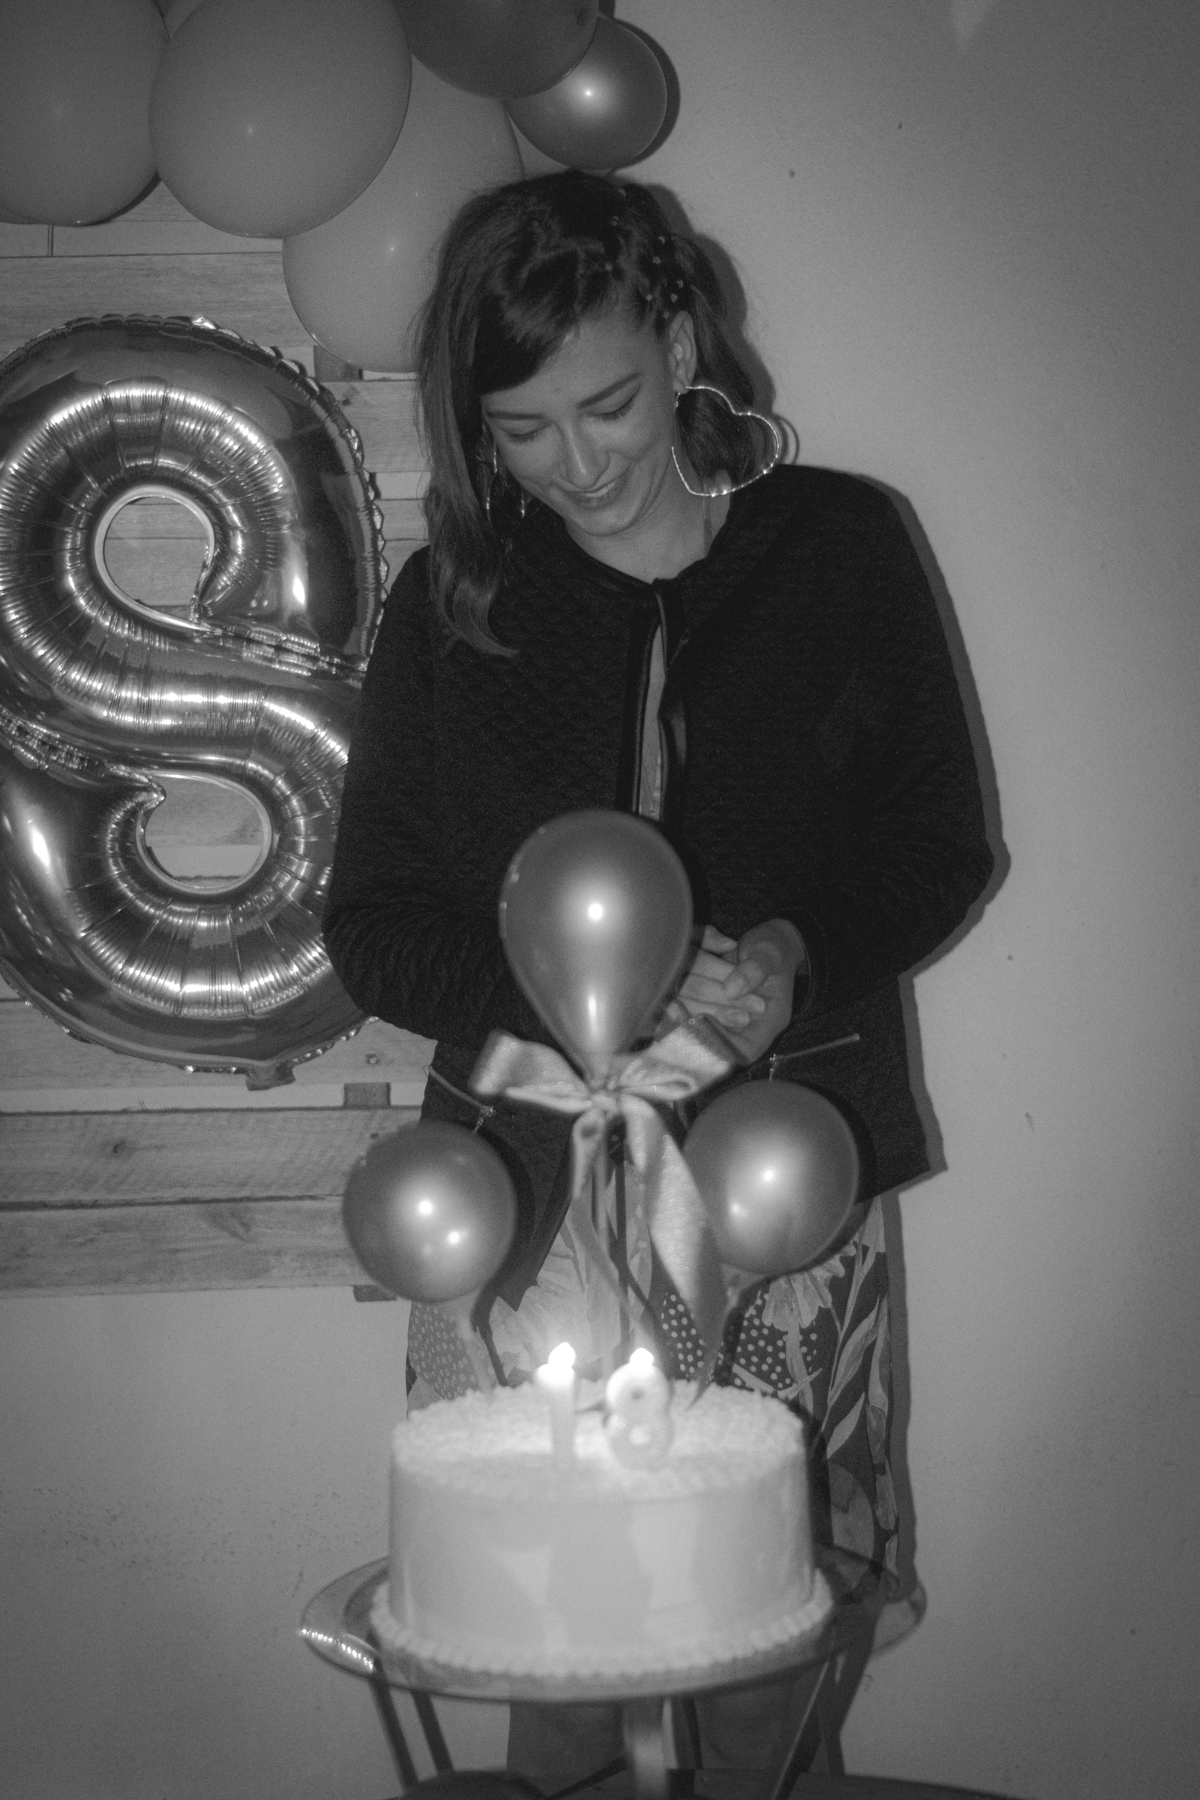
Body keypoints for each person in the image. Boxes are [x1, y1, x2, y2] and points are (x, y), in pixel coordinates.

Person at [323, 170, 993, 1784]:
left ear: (682, 344)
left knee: (772, 1650)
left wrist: (798, 956)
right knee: (550, 1651)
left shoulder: (839, 548)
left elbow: (940, 842)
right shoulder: (455, 607)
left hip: (783, 1185)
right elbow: (374, 918)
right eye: (521, 430)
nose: (576, 463)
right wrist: (544, 994)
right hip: (523, 1202)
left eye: (608, 403)